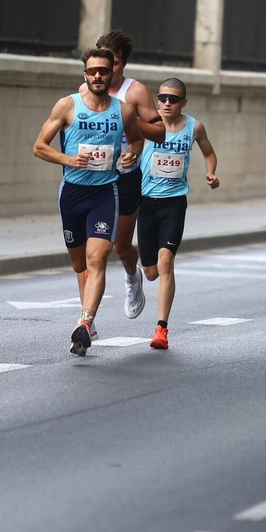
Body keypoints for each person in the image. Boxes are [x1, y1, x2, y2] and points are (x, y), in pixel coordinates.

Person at [35, 48, 167, 356]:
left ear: (111, 75)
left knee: (97, 260)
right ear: (85, 74)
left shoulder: (122, 110)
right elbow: (39, 147)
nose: (97, 75)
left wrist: (131, 152)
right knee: (80, 264)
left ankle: (84, 322)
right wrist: (69, 159)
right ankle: (88, 320)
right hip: (72, 194)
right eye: (92, 71)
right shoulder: (67, 106)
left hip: (106, 194)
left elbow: (136, 137)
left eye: (103, 71)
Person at [132, 78, 219, 350]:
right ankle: (137, 275)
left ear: (184, 102)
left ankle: (161, 329)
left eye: (173, 99)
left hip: (174, 203)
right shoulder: (147, 125)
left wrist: (211, 172)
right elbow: (129, 147)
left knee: (166, 262)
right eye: (163, 98)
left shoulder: (194, 127)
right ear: (157, 100)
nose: (167, 103)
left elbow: (209, 152)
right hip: (146, 202)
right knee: (151, 272)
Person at [79, 29, 159, 320]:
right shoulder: (84, 91)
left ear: (122, 64)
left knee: (121, 248)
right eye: (100, 61)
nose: (105, 69)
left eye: (112, 63)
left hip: (126, 176)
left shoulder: (135, 92)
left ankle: (131, 277)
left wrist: (130, 120)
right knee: (93, 251)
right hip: (93, 178)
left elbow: (160, 132)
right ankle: (86, 318)